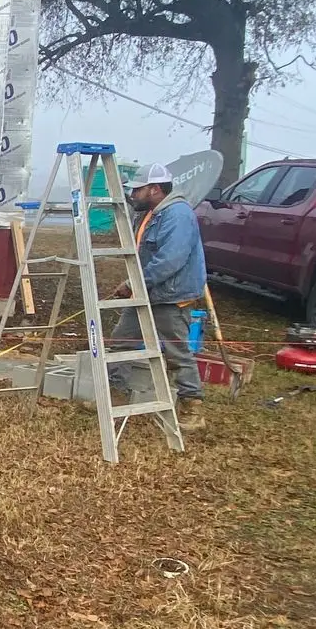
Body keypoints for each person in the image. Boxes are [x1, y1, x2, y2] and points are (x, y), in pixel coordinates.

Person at [112, 162, 208, 431]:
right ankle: (115, 395)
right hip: (148, 291)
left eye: (137, 190)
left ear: (154, 189)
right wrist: (133, 283)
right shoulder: (153, 212)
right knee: (121, 340)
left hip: (170, 295)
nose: (133, 196)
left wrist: (134, 284)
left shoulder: (177, 215)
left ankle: (192, 408)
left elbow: (170, 260)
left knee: (176, 351)